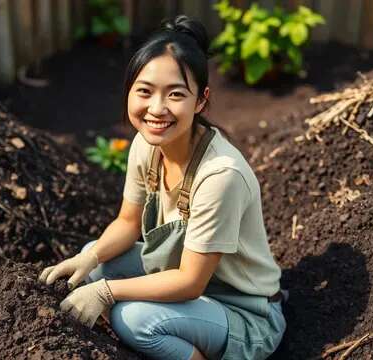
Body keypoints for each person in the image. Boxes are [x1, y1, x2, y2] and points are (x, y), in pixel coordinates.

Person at [39, 15, 286, 360]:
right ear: (129, 92)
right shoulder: (147, 145)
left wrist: (107, 293)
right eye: (144, 91)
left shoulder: (219, 175)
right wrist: (88, 258)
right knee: (96, 257)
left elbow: (190, 282)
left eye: (175, 95)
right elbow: (127, 223)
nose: (157, 109)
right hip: (187, 285)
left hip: (241, 313)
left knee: (135, 319)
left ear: (200, 100)